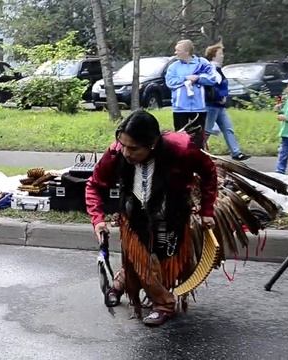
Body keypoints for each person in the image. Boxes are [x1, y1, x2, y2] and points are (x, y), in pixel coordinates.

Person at [86, 110, 217, 327]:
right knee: (141, 260)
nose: (126, 152)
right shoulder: (117, 152)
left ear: (153, 143)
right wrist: (97, 219)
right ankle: (164, 304)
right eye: (123, 144)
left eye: (133, 148)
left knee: (163, 261)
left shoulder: (182, 150)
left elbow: (209, 172)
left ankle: (120, 282)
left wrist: (207, 211)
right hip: (133, 217)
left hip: (172, 216)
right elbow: (95, 184)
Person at [165, 39, 217, 148]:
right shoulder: (173, 67)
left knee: (198, 140)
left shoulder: (202, 63)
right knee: (180, 140)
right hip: (180, 108)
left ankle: (198, 161)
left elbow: (212, 78)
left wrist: (198, 78)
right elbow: (170, 82)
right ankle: (182, 162)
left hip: (199, 108)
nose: (175, 53)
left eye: (178, 50)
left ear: (187, 52)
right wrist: (185, 78)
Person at [203, 42, 251, 161]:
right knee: (207, 131)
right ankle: (199, 151)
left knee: (228, 128)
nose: (222, 56)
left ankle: (236, 152)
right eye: (220, 53)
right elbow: (211, 86)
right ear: (213, 55)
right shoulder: (211, 69)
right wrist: (220, 97)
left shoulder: (218, 69)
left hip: (220, 107)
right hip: (212, 105)